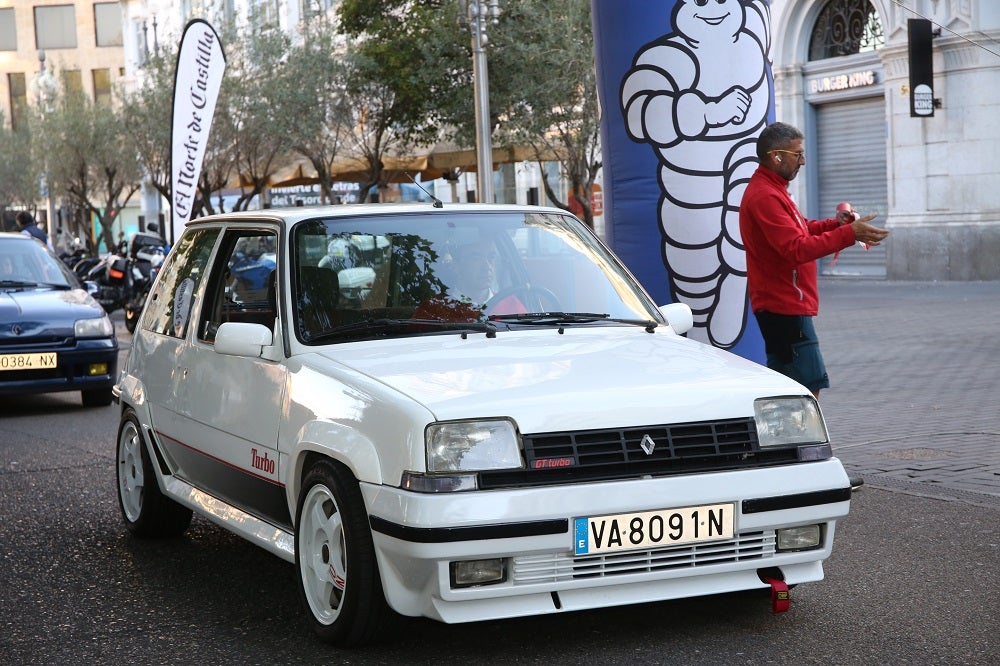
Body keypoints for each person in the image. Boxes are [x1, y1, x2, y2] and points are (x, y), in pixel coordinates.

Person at [739, 122, 889, 400]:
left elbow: (801, 228)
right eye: (798, 154)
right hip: (781, 304)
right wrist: (847, 234)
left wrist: (836, 225)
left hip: (784, 302)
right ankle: (797, 443)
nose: (803, 161)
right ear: (777, 156)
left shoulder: (774, 190)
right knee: (804, 386)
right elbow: (795, 249)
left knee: (794, 384)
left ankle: (789, 442)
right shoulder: (765, 195)